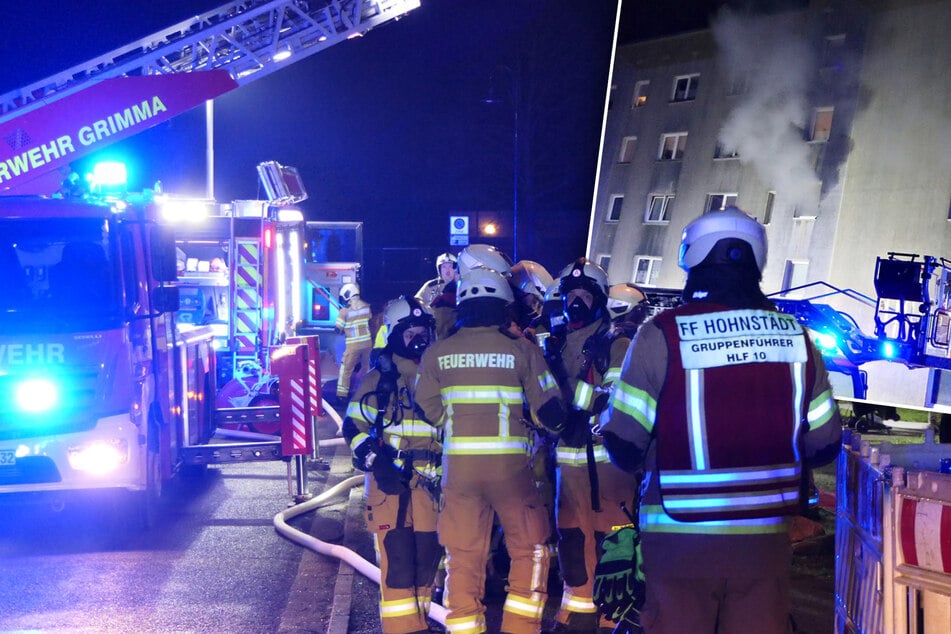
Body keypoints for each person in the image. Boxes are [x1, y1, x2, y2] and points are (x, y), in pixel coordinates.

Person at [600, 207, 842, 634]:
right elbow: (824, 446)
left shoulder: (661, 333)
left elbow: (624, 443)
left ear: (691, 258)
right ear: (757, 262)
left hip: (679, 541)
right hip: (765, 542)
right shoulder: (797, 337)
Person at [414, 266, 567, 634]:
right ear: (503, 305)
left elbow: (427, 408)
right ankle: (520, 627)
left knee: (463, 558)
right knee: (529, 550)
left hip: (459, 474)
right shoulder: (521, 350)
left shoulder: (438, 353)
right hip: (511, 473)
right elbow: (551, 413)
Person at [543, 258, 641, 633]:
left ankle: (615, 619)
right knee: (571, 541)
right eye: (571, 295)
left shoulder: (617, 344)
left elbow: (614, 397)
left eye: (585, 295)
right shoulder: (554, 342)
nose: (576, 302)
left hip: (607, 468)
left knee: (613, 543)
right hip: (567, 466)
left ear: (599, 300)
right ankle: (576, 614)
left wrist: (569, 396)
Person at [341, 296, 443, 634]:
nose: (418, 338)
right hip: (390, 485)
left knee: (427, 561)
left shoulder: (441, 376)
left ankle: (419, 625)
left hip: (432, 485)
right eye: (409, 332)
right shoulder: (378, 381)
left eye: (422, 330)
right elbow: (352, 426)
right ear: (395, 334)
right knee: (398, 562)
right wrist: (375, 460)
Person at [335, 282, 373, 402]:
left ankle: (342, 395)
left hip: (353, 345)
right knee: (368, 369)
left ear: (348, 295)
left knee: (346, 369)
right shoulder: (367, 307)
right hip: (367, 344)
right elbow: (369, 320)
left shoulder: (344, 312)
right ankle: (368, 392)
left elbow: (338, 329)